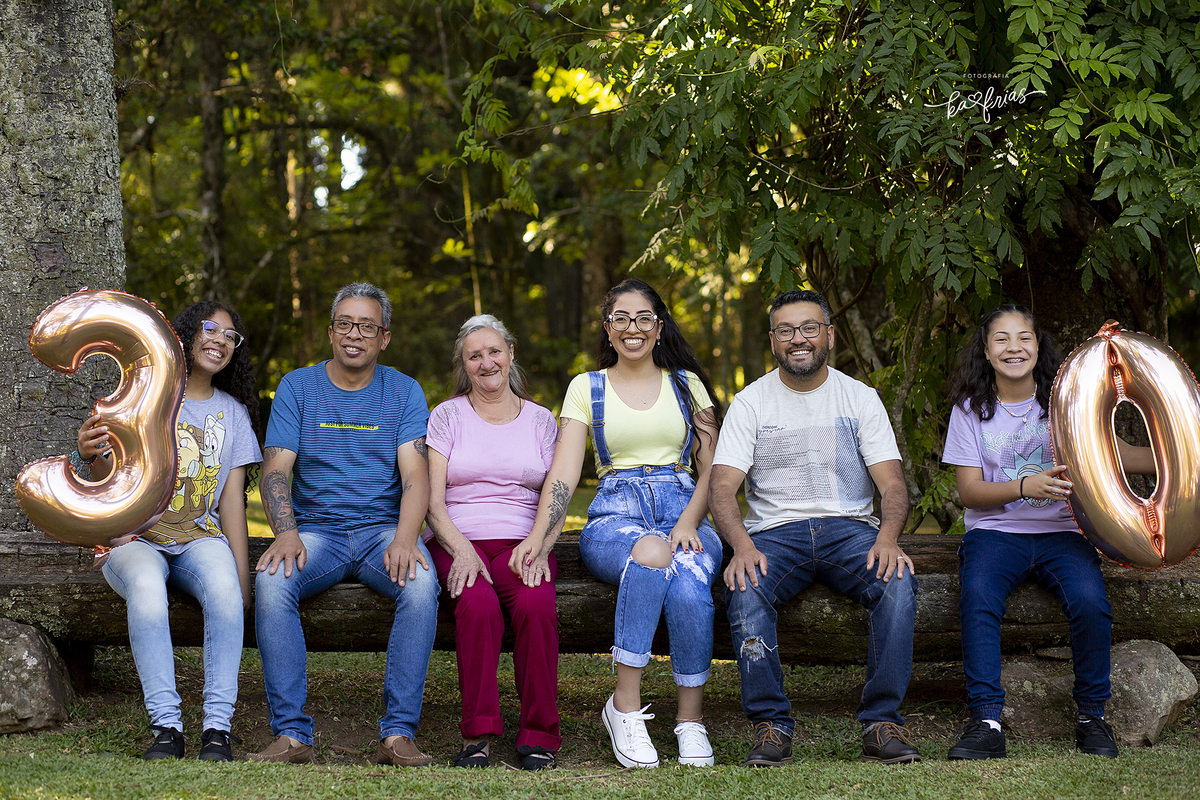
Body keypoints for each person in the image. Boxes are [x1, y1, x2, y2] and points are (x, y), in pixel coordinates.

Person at [513, 278, 722, 769]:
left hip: (683, 508)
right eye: (621, 319)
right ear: (607, 329)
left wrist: (692, 520)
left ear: (659, 325)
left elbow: (715, 466)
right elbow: (564, 474)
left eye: (643, 318)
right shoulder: (586, 388)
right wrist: (542, 539)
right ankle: (624, 706)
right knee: (651, 553)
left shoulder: (688, 385)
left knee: (690, 581)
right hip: (615, 514)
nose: (633, 328)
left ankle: (690, 721)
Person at [710, 288, 920, 767]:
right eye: (785, 330)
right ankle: (770, 725)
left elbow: (891, 485)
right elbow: (723, 490)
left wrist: (887, 539)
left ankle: (881, 722)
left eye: (807, 328)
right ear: (773, 340)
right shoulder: (751, 402)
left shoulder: (858, 398)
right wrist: (741, 547)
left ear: (828, 333)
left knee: (898, 582)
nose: (797, 339)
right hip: (774, 534)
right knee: (744, 588)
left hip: (851, 530)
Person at [942, 304, 1154, 760]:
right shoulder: (969, 411)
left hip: (1064, 534)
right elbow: (969, 492)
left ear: (1039, 347)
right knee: (977, 598)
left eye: (1024, 338)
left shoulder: (1065, 405)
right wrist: (1024, 485)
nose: (1013, 347)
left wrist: (1175, 454)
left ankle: (1092, 717)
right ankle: (986, 721)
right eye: (1001, 339)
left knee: (1091, 602)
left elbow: (1118, 454)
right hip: (995, 534)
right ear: (986, 350)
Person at [251, 282, 438, 766]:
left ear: (384, 337)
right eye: (345, 324)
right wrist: (287, 533)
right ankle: (292, 735)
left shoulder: (404, 391)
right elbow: (275, 470)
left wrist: (403, 538)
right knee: (272, 581)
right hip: (317, 534)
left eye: (367, 326)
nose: (354, 334)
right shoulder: (298, 386)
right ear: (331, 331)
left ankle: (397, 734)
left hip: (381, 531)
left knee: (420, 584)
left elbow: (416, 475)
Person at [78, 302, 260, 762]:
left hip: (200, 538)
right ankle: (166, 728)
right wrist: (90, 452)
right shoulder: (143, 393)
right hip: (133, 540)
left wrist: (241, 581)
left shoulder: (233, 414)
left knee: (222, 591)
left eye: (230, 336)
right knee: (145, 583)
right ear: (184, 334)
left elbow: (233, 504)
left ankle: (217, 730)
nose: (219, 339)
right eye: (210, 328)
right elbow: (108, 476)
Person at [424, 315, 563, 770]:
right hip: (456, 538)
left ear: (511, 355)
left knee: (536, 605)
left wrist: (541, 544)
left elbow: (557, 498)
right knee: (478, 605)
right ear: (464, 366)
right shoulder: (446, 416)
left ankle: (539, 735)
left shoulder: (542, 420)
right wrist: (461, 548)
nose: (487, 363)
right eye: (475, 356)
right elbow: (431, 499)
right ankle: (478, 734)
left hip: (523, 543)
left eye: (494, 352)